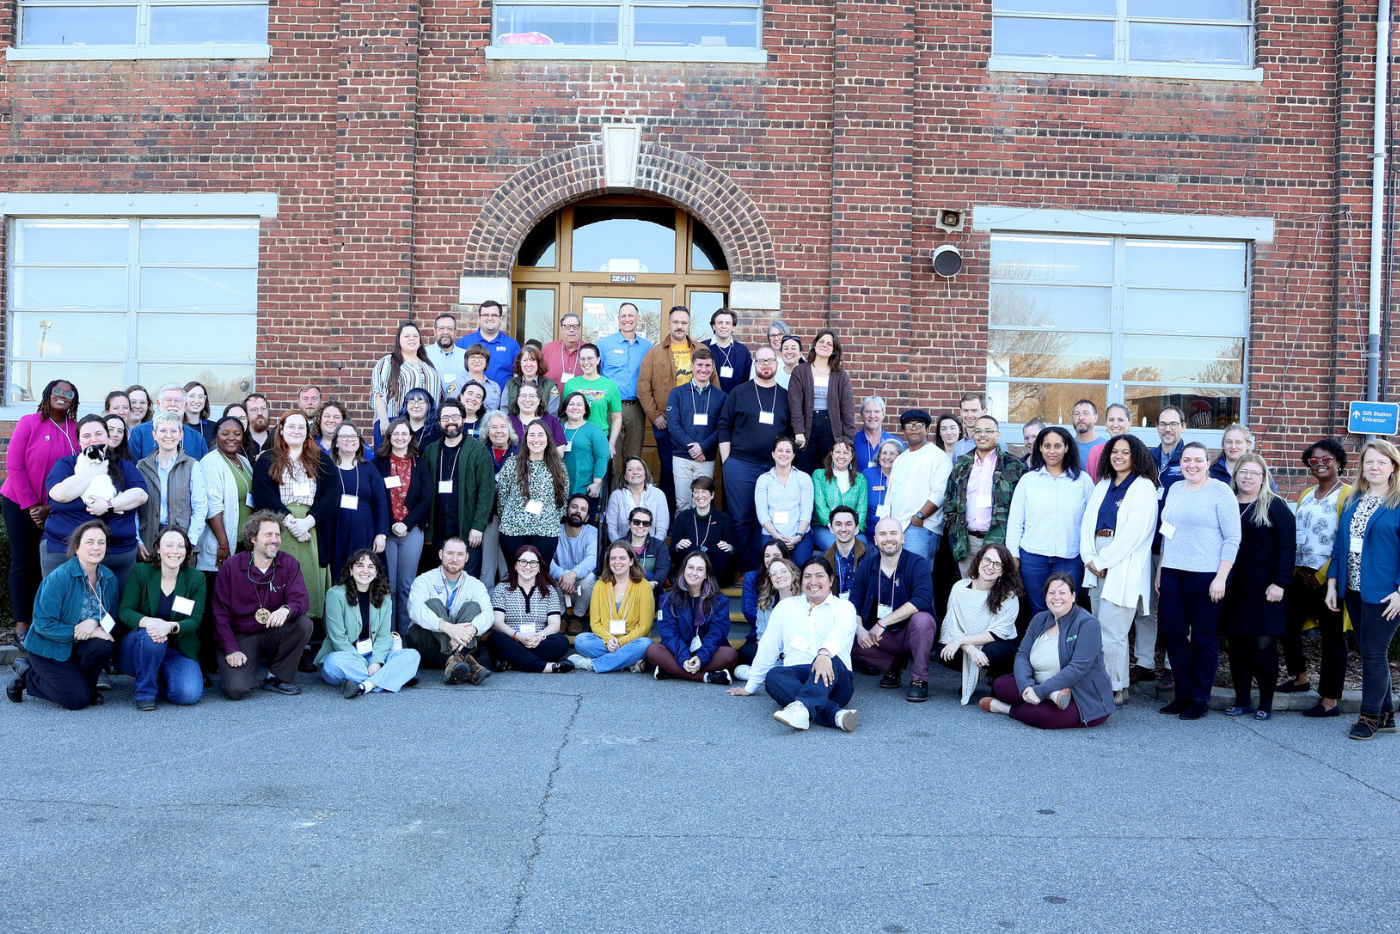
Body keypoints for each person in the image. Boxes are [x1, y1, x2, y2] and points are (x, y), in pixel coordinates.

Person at [1156, 440, 1242, 720]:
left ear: (1208, 463)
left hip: (1205, 575)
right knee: (1174, 636)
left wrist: (1221, 578)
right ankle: (1182, 694)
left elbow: (1232, 538)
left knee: (1204, 638)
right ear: (1179, 463)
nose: (1191, 465)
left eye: (1198, 460)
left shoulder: (1220, 491)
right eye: (1186, 460)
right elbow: (1167, 532)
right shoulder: (1174, 488)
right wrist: (1160, 569)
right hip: (1171, 572)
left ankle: (1200, 698)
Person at [727, 557, 860, 732]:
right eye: (807, 576)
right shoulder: (785, 607)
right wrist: (751, 686)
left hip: (835, 680)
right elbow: (768, 646)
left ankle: (802, 708)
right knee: (774, 675)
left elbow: (842, 630)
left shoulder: (844, 606)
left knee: (832, 660)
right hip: (798, 675)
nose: (813, 582)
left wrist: (824, 653)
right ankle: (835, 715)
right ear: (801, 579)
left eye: (819, 576)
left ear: (831, 579)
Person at [1325, 440, 1400, 740]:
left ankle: (1369, 718)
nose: (1374, 467)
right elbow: (1339, 545)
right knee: (1371, 652)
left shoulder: (1397, 502)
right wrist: (1332, 583)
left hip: (1386, 592)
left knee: (1372, 652)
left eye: (1381, 462)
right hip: (1353, 589)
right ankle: (1388, 713)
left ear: (1393, 467)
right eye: (1369, 462)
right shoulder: (1354, 500)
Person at [1078, 434, 1159, 702]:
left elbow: (1134, 534)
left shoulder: (1144, 487)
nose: (1119, 456)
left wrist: (1102, 561)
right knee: (1102, 630)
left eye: (1126, 452)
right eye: (1114, 451)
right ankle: (1119, 686)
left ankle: (1109, 688)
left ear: (1136, 456)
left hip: (1122, 562)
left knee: (1113, 631)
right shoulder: (1103, 484)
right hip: (1096, 558)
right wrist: (1090, 557)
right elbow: (1087, 522)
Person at [978, 574, 1113, 729]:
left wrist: (1040, 691)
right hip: (1044, 687)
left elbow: (1078, 667)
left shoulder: (1088, 624)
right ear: (1046, 597)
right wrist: (1028, 687)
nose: (1057, 597)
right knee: (1000, 684)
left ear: (1073, 596)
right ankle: (1051, 696)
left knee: (1042, 716)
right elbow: (1022, 655)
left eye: (1062, 593)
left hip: (1080, 696)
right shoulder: (1040, 619)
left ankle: (1004, 708)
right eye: (1051, 593)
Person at [7, 521, 117, 709]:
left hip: (78, 646)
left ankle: (87, 688)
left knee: (104, 645)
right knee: (76, 701)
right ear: (76, 547)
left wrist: (93, 621)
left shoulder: (108, 578)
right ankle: (27, 673)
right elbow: (43, 625)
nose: (96, 547)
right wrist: (81, 631)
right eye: (89, 542)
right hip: (48, 649)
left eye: (101, 542)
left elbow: (110, 614)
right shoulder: (59, 578)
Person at [2, 379, 80, 643]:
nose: (62, 395)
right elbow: (14, 466)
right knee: (24, 562)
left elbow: (77, 475)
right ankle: (22, 625)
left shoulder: (77, 430)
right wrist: (33, 507)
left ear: (73, 400)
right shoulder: (29, 422)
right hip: (19, 503)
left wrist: (50, 507)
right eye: (57, 390)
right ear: (47, 394)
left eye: (68, 392)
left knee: (49, 563)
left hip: (56, 509)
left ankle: (43, 620)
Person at [1221, 454, 1296, 720]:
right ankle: (1242, 700)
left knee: (1263, 646)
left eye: (1254, 473)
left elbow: (1288, 547)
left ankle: (1266, 703)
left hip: (1267, 588)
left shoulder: (1275, 506)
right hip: (1234, 588)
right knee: (1238, 646)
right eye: (1243, 472)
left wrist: (1280, 582)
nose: (1248, 477)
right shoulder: (1226, 502)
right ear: (1235, 474)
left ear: (1263, 477)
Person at [1279, 439, 1351, 716]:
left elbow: (1344, 541)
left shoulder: (1348, 494)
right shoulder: (1307, 494)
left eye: (1326, 458)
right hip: (1301, 576)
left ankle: (1330, 699)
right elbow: (1299, 536)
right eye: (1314, 460)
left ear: (1338, 462)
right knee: (1287, 625)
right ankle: (1300, 677)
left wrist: (1323, 575)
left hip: (1329, 581)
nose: (1320, 464)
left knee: (1333, 638)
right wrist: (1298, 572)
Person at [211, 511, 315, 699]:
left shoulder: (289, 563)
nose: (274, 540)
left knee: (303, 623)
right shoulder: (232, 566)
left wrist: (286, 610)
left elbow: (301, 600)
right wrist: (231, 648)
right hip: (241, 635)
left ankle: (277, 676)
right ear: (253, 538)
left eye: (277, 535)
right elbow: (220, 614)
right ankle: (243, 666)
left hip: (272, 630)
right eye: (268, 535)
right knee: (236, 690)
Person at [41, 415, 149, 586]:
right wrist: (95, 469)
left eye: (99, 434)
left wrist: (108, 506)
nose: (93, 439)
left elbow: (140, 495)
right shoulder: (66, 465)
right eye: (86, 436)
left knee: (114, 609)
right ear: (79, 441)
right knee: (63, 607)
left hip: (117, 552)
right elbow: (60, 494)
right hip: (65, 550)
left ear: (107, 437)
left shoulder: (123, 466)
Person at [250, 410, 337, 623]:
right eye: (291, 426)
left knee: (307, 580)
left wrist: (308, 522)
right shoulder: (267, 459)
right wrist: (289, 522)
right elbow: (263, 494)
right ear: (281, 429)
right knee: (278, 577)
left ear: (307, 431)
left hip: (312, 528)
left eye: (301, 427)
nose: (296, 431)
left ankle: (306, 636)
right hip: (278, 527)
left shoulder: (322, 460)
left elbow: (332, 494)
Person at [1006, 425, 1096, 616]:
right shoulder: (1028, 481)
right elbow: (1015, 521)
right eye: (1047, 446)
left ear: (1067, 448)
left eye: (1057, 446)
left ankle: (1062, 646)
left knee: (1066, 609)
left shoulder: (1083, 481)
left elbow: (1091, 523)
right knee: (1038, 609)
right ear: (1040, 448)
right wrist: (1014, 556)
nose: (1052, 451)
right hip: (1033, 557)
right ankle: (1040, 645)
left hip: (1070, 558)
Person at [848, 517, 938, 701]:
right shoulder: (866, 567)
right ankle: (892, 665)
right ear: (875, 540)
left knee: (922, 619)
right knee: (846, 631)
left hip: (911, 634)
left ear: (903, 538)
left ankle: (919, 679)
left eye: (893, 533)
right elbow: (853, 604)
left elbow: (923, 599)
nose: (888, 538)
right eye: (882, 534)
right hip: (880, 637)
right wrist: (859, 629)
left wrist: (883, 622)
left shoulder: (917, 563)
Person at [718, 346, 792, 570]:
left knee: (767, 520)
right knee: (741, 519)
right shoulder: (739, 393)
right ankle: (741, 569)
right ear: (754, 365)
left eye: (770, 360)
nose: (766, 365)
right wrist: (727, 462)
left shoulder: (786, 396)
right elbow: (724, 425)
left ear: (777, 365)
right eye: (761, 361)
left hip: (773, 468)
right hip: (740, 465)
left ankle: (762, 569)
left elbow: (790, 431)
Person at [116, 526, 205, 710]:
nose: (175, 551)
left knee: (188, 694)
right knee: (151, 634)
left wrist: (169, 627)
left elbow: (195, 620)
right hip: (140, 645)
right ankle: (145, 692)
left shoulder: (196, 578)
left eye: (181, 546)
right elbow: (125, 611)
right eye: (169, 545)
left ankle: (158, 680)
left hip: (177, 648)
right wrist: (154, 624)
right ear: (157, 548)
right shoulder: (141, 571)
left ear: (187, 551)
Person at [1133, 405, 1188, 687]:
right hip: (1145, 544)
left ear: (1183, 427)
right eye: (1163, 424)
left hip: (1176, 548)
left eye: (1174, 424)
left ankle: (1172, 665)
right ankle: (1144, 662)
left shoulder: (1189, 458)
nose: (1168, 429)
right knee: (1145, 608)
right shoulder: (1146, 458)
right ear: (1156, 428)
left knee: (1174, 611)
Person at [318, 550, 421, 698]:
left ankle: (365, 686)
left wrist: (377, 661)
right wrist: (369, 665)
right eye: (360, 565)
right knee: (333, 663)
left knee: (412, 655)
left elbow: (384, 636)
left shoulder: (384, 596)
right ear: (351, 570)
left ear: (376, 572)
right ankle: (393, 677)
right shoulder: (335, 594)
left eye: (371, 566)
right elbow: (338, 639)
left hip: (374, 655)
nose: (365, 570)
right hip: (347, 658)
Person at [638, 305, 710, 515]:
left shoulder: (700, 350)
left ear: (689, 325)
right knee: (669, 472)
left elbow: (713, 385)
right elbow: (643, 388)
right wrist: (655, 416)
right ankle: (668, 520)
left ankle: (698, 517)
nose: (680, 326)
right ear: (669, 323)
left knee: (698, 472)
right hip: (665, 425)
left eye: (684, 323)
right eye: (676, 322)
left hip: (698, 426)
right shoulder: (654, 354)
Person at [944, 414, 1027, 578]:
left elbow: (1025, 508)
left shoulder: (1015, 466)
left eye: (988, 431)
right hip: (967, 541)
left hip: (1000, 542)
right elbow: (949, 501)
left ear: (998, 434)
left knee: (996, 593)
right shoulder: (962, 465)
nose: (982, 435)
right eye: (978, 431)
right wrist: (955, 530)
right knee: (969, 590)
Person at [421, 399, 496, 578]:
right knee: (438, 580)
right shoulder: (430, 451)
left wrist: (478, 526)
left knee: (467, 580)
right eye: (445, 417)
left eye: (455, 416)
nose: (450, 421)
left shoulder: (478, 451)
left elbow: (486, 493)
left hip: (467, 530)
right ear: (439, 422)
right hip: (437, 530)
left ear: (463, 420)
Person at [939, 543, 1022, 704]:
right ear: (979, 561)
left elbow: (999, 633)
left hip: (997, 644)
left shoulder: (1009, 595)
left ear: (1003, 570)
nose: (990, 566)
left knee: (995, 650)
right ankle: (971, 675)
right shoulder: (959, 588)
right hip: (970, 646)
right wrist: (971, 649)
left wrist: (962, 640)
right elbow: (951, 628)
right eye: (987, 560)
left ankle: (998, 679)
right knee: (943, 650)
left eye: (997, 564)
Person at [406, 536, 493, 683]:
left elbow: (489, 615)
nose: (455, 559)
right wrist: (447, 628)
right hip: (428, 649)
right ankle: (466, 660)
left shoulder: (475, 584)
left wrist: (472, 629)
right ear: (440, 554)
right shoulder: (424, 579)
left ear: (467, 557)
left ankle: (457, 660)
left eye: (460, 554)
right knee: (432, 603)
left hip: (460, 645)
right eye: (450, 553)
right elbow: (415, 609)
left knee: (473, 607)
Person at [373, 418, 431, 635]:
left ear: (410, 437)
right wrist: (390, 525)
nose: (399, 437)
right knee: (388, 585)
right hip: (385, 532)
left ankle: (405, 635)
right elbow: (376, 498)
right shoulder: (378, 463)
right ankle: (386, 633)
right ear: (389, 436)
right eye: (395, 433)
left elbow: (425, 499)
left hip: (411, 531)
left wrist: (405, 524)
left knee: (406, 585)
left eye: (404, 434)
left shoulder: (419, 463)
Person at [646, 551, 737, 683]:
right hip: (678, 651)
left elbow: (717, 634)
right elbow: (669, 634)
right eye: (690, 567)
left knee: (730, 655)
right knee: (653, 650)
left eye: (700, 569)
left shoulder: (720, 601)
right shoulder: (667, 599)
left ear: (706, 574)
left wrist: (701, 658)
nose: (694, 573)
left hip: (707, 652)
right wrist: (684, 658)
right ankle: (706, 677)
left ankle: (672, 671)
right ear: (684, 570)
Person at [570, 540, 656, 673]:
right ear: (608, 562)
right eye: (613, 558)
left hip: (632, 640)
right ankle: (628, 662)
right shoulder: (600, 585)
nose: (617, 562)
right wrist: (609, 639)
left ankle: (593, 664)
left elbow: (644, 626)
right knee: (581, 640)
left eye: (622, 558)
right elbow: (595, 623)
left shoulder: (644, 586)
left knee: (646, 645)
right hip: (606, 640)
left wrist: (621, 643)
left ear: (631, 561)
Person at [135, 412, 208, 567]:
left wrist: (189, 542)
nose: (168, 435)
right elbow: (134, 509)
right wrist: (138, 540)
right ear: (154, 435)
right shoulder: (141, 466)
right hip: (148, 542)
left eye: (174, 431)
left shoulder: (192, 466)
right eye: (162, 431)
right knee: (150, 588)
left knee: (181, 589)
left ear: (181, 435)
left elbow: (200, 507)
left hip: (182, 542)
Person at [199, 416, 254, 616]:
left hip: (242, 543)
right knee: (217, 601)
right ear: (216, 436)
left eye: (237, 434)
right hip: (221, 545)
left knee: (235, 602)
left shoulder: (244, 461)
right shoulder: (211, 462)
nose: (231, 438)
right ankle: (211, 647)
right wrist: (223, 544)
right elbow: (212, 505)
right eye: (225, 433)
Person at [497, 420, 570, 568]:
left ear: (548, 438)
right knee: (515, 576)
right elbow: (502, 497)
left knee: (540, 577)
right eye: (532, 435)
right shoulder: (512, 463)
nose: (536, 440)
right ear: (525, 439)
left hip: (545, 532)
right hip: (513, 530)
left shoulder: (559, 466)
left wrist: (550, 518)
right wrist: (510, 517)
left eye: (541, 435)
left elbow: (562, 499)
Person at [884, 409, 953, 563]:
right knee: (900, 577)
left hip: (921, 527)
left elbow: (940, 493)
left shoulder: (938, 457)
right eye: (909, 426)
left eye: (918, 425)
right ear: (903, 431)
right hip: (897, 528)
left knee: (918, 578)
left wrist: (920, 516)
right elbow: (891, 494)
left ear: (927, 429)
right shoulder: (900, 459)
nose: (913, 429)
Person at [489, 545, 572, 673]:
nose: (528, 567)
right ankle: (545, 667)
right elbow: (497, 623)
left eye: (533, 563)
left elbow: (555, 624)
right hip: (512, 639)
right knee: (495, 639)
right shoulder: (502, 588)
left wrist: (540, 636)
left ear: (539, 567)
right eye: (523, 562)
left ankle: (512, 661)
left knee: (562, 642)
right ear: (515, 565)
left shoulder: (549, 590)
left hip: (539, 641)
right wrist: (518, 636)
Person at [325, 421, 390, 581]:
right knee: (339, 574)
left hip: (364, 530)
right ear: (336, 442)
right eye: (344, 436)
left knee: (364, 573)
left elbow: (380, 503)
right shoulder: (326, 468)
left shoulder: (369, 469)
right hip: (335, 530)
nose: (349, 440)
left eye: (354, 436)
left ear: (360, 441)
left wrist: (381, 534)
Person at [665, 346, 727, 511]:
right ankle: (683, 538)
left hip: (706, 459)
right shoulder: (677, 393)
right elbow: (673, 425)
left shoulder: (721, 397)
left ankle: (702, 537)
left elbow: (722, 428)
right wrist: (693, 447)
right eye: (699, 365)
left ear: (713, 368)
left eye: (707, 366)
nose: (703, 369)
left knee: (703, 505)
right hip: (682, 458)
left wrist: (702, 447)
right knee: (683, 504)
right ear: (692, 367)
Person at [789, 329, 857, 474]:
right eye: (821, 342)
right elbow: (794, 405)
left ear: (833, 350)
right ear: (814, 345)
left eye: (829, 344)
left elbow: (848, 409)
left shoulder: (840, 376)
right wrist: (798, 431)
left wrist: (848, 439)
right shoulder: (800, 371)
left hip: (831, 430)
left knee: (827, 473)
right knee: (804, 471)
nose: (824, 345)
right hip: (806, 430)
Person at [598, 303, 653, 478]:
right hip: (610, 408)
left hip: (637, 408)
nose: (627, 319)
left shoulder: (647, 347)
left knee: (633, 459)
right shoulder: (604, 344)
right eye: (623, 316)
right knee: (610, 458)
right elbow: (596, 375)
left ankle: (630, 502)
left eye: (631, 316)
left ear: (638, 319)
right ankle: (610, 502)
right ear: (618, 319)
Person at [371, 321, 441, 446]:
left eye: (415, 336)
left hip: (426, 426)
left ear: (420, 341)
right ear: (399, 340)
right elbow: (378, 393)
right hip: (393, 421)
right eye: (407, 336)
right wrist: (384, 419)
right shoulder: (388, 362)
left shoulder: (428, 366)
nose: (411, 339)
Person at [737, 554, 799, 678]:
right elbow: (763, 639)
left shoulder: (805, 601)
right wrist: (777, 655)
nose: (779, 576)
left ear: (793, 573)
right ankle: (772, 674)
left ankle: (769, 675)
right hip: (775, 655)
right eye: (774, 574)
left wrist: (787, 653)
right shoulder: (766, 603)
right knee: (740, 668)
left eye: (783, 571)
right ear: (771, 580)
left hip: (798, 656)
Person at [757, 436, 815, 564]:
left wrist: (798, 536)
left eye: (788, 451)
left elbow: (806, 511)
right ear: (773, 454)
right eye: (780, 450)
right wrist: (776, 537)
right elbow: (762, 513)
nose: (784, 454)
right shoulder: (764, 479)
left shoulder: (804, 478)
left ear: (793, 455)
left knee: (801, 566)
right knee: (772, 566)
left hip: (799, 534)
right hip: (771, 534)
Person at [671, 476, 736, 584]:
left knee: (719, 550)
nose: (700, 496)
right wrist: (678, 546)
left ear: (712, 495)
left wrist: (729, 547)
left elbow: (734, 550)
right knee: (687, 548)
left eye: (704, 491)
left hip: (715, 574)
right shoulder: (682, 518)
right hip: (689, 572)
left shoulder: (723, 518)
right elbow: (672, 552)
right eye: (696, 492)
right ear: (693, 495)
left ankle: (709, 585)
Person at [810, 437, 869, 554]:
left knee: (861, 549)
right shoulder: (819, 475)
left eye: (846, 452)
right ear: (831, 454)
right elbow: (820, 507)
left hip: (852, 528)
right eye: (837, 451)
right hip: (825, 528)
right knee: (838, 547)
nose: (841, 456)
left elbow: (862, 509)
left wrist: (851, 528)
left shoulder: (860, 479)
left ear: (851, 457)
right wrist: (835, 526)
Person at [479, 411, 517, 585]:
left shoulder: (520, 452)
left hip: (512, 515)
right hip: (488, 514)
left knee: (507, 562)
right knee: (487, 563)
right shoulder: (480, 451)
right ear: (487, 431)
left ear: (509, 429)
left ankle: (505, 603)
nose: (499, 431)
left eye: (503, 426)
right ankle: (486, 601)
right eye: (494, 427)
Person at [550, 494, 598, 628]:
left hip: (579, 586)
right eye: (574, 507)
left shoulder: (592, 532)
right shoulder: (554, 531)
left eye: (583, 509)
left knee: (589, 578)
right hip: (560, 584)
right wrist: (562, 575)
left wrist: (573, 574)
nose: (578, 511)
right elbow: (546, 559)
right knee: (545, 574)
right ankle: (560, 615)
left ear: (587, 517)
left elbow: (592, 558)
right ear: (566, 511)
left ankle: (578, 617)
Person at [569, 343, 623, 460]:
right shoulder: (571, 384)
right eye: (582, 359)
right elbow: (565, 414)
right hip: (575, 438)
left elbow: (617, 418)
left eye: (590, 358)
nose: (586, 362)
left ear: (598, 360)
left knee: (600, 476)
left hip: (600, 439)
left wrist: (611, 444)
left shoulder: (610, 386)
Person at [127, 383, 209, 460]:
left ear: (185, 406)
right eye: (168, 400)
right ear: (159, 404)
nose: (173, 404)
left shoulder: (197, 439)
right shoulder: (139, 433)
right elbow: (131, 469)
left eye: (178, 400)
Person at [559, 391, 609, 511]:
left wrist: (597, 483)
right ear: (565, 408)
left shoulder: (594, 431)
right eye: (571, 404)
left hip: (585, 490)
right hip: (559, 491)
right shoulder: (557, 429)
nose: (575, 407)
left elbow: (603, 457)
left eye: (579, 404)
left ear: (585, 410)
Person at [605, 456, 670, 544]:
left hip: (651, 548)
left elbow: (661, 530)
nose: (635, 472)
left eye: (639, 469)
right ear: (625, 476)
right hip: (622, 549)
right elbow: (611, 529)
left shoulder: (658, 495)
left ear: (645, 474)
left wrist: (652, 548)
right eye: (630, 470)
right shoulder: (616, 495)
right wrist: (622, 548)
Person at [457, 299, 520, 388]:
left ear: (501, 318)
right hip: (471, 399)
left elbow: (519, 375)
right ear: (479, 318)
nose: (490, 318)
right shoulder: (464, 343)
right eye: (485, 315)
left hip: (503, 400)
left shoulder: (512, 345)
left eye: (494, 315)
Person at [504, 344, 562, 417]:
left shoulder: (550, 386)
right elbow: (504, 415)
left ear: (538, 363)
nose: (528, 364)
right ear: (520, 363)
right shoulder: (510, 385)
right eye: (525, 360)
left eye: (532, 360)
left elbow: (552, 417)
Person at [705, 308, 752, 394]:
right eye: (720, 323)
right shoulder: (703, 347)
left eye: (727, 323)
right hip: (708, 401)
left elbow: (748, 380)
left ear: (733, 327)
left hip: (736, 402)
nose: (724, 326)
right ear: (713, 326)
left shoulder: (743, 351)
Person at [823, 506, 865, 599]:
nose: (843, 529)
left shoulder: (871, 555)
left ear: (857, 528)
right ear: (831, 529)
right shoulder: (824, 559)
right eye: (838, 524)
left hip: (864, 612)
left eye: (848, 524)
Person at [624, 506, 671, 590]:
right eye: (636, 522)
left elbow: (663, 569)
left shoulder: (659, 546)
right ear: (629, 523)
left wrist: (654, 582)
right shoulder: (619, 545)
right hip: (624, 588)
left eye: (646, 523)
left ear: (650, 526)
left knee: (648, 575)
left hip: (650, 588)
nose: (641, 526)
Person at [862, 439, 901, 536]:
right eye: (884, 453)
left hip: (898, 534)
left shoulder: (906, 476)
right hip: (870, 534)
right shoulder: (868, 474)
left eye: (892, 454)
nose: (887, 457)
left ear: (900, 457)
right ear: (879, 456)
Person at [425, 312, 468, 400]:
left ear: (455, 332)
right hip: (431, 408)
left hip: (459, 410)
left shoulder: (466, 355)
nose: (446, 332)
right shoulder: (424, 354)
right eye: (441, 328)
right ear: (435, 331)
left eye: (450, 328)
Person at [951, 393, 1007, 459]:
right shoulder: (958, 446)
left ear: (984, 411)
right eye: (965, 411)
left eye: (974, 411)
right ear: (961, 412)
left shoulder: (997, 444)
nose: (969, 415)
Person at [853, 395, 901, 472]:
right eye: (868, 411)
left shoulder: (895, 443)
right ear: (861, 414)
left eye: (877, 411)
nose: (872, 416)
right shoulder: (852, 442)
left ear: (883, 414)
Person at [508, 382, 565, 447]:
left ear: (539, 400)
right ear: (517, 399)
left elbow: (559, 451)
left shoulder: (552, 421)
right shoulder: (507, 420)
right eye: (523, 395)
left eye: (532, 396)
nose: (527, 400)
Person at [1084, 402, 1132, 478]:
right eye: (1111, 420)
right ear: (1106, 423)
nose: (1115, 425)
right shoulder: (1096, 452)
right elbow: (1091, 485)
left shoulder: (1137, 451)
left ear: (1129, 423)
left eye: (1120, 420)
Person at [541, 312, 584, 386]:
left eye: (575, 326)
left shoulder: (589, 350)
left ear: (579, 329)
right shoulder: (548, 349)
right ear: (561, 329)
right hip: (552, 397)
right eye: (567, 326)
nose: (571, 330)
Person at [462, 343, 504, 412]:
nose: (477, 361)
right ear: (466, 361)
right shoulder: (457, 385)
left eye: (481, 357)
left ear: (486, 362)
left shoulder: (495, 387)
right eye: (473, 357)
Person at [1070, 398, 1106, 468]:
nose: (1080, 418)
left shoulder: (1106, 447)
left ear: (1095, 418)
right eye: (1077, 414)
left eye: (1086, 413)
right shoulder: (1067, 446)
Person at [182, 381, 217, 448]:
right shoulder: (176, 426)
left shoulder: (214, 428)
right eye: (192, 396)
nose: (196, 401)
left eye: (201, 396)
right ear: (183, 398)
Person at [242, 393, 274, 460]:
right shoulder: (240, 443)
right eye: (254, 410)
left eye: (263, 409)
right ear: (246, 414)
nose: (260, 413)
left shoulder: (276, 442)